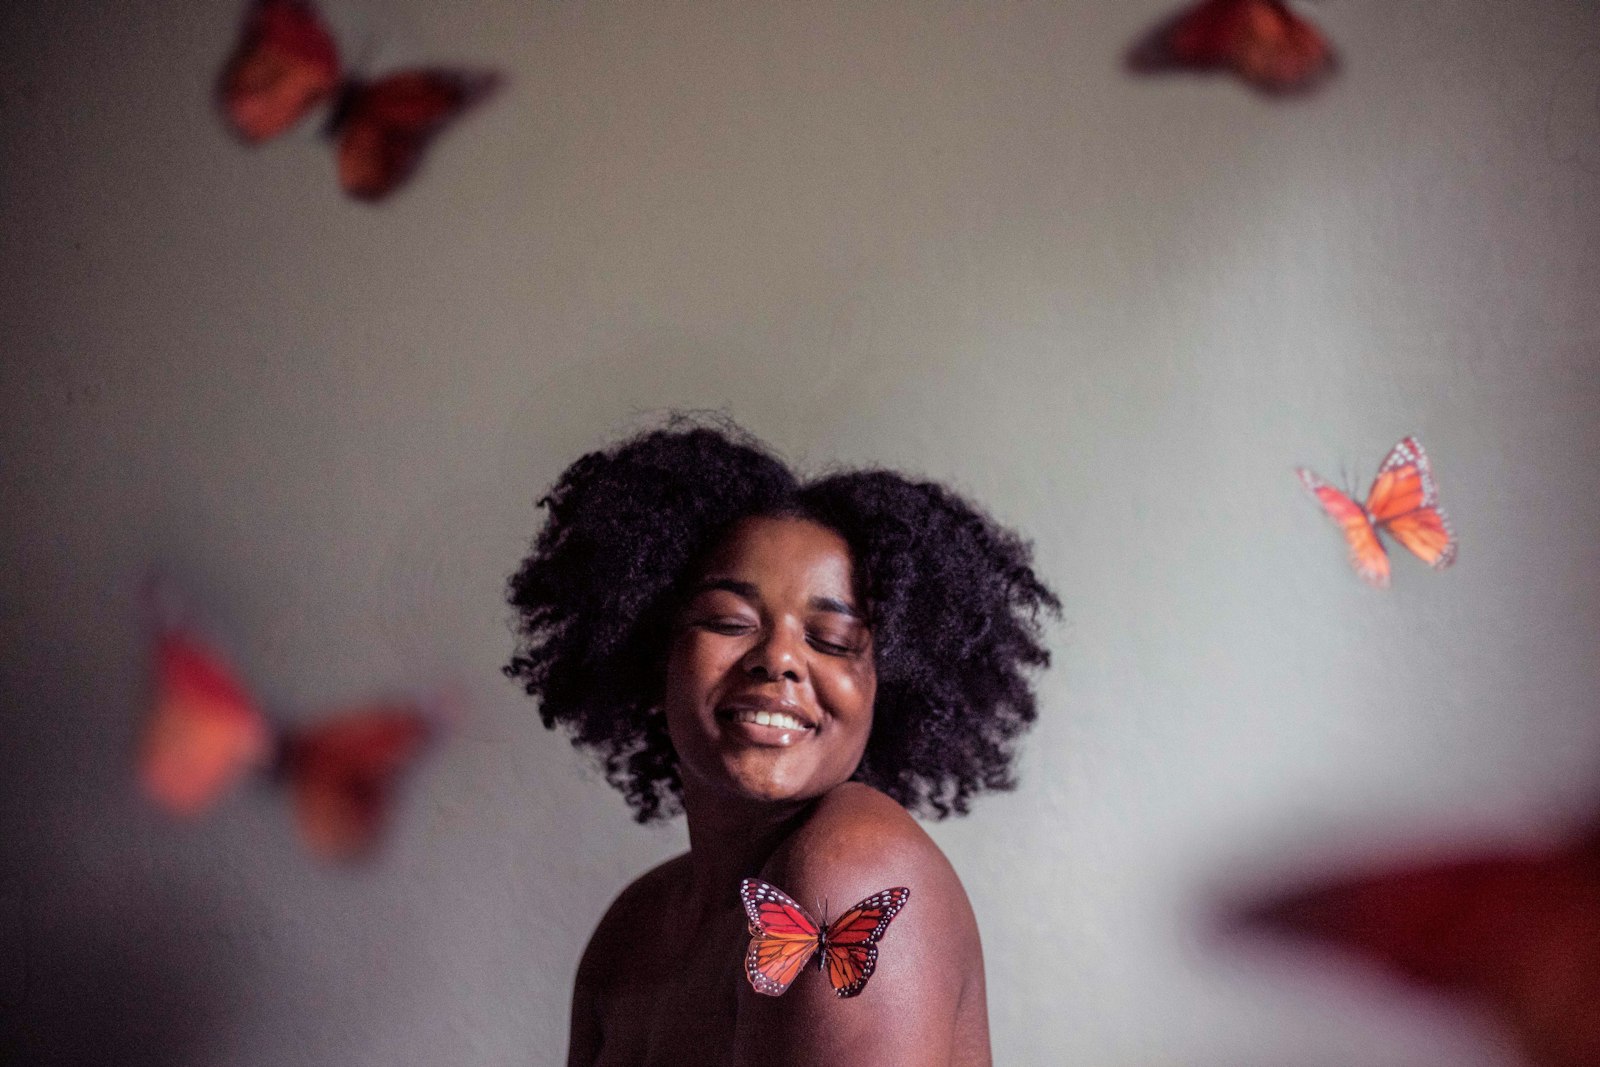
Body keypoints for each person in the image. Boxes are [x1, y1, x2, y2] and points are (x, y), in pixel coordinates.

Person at [506, 417, 1058, 1067]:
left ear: (890, 685)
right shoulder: (637, 925)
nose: (779, 659)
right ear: (654, 653)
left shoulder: (848, 867)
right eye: (729, 622)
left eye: (830, 639)